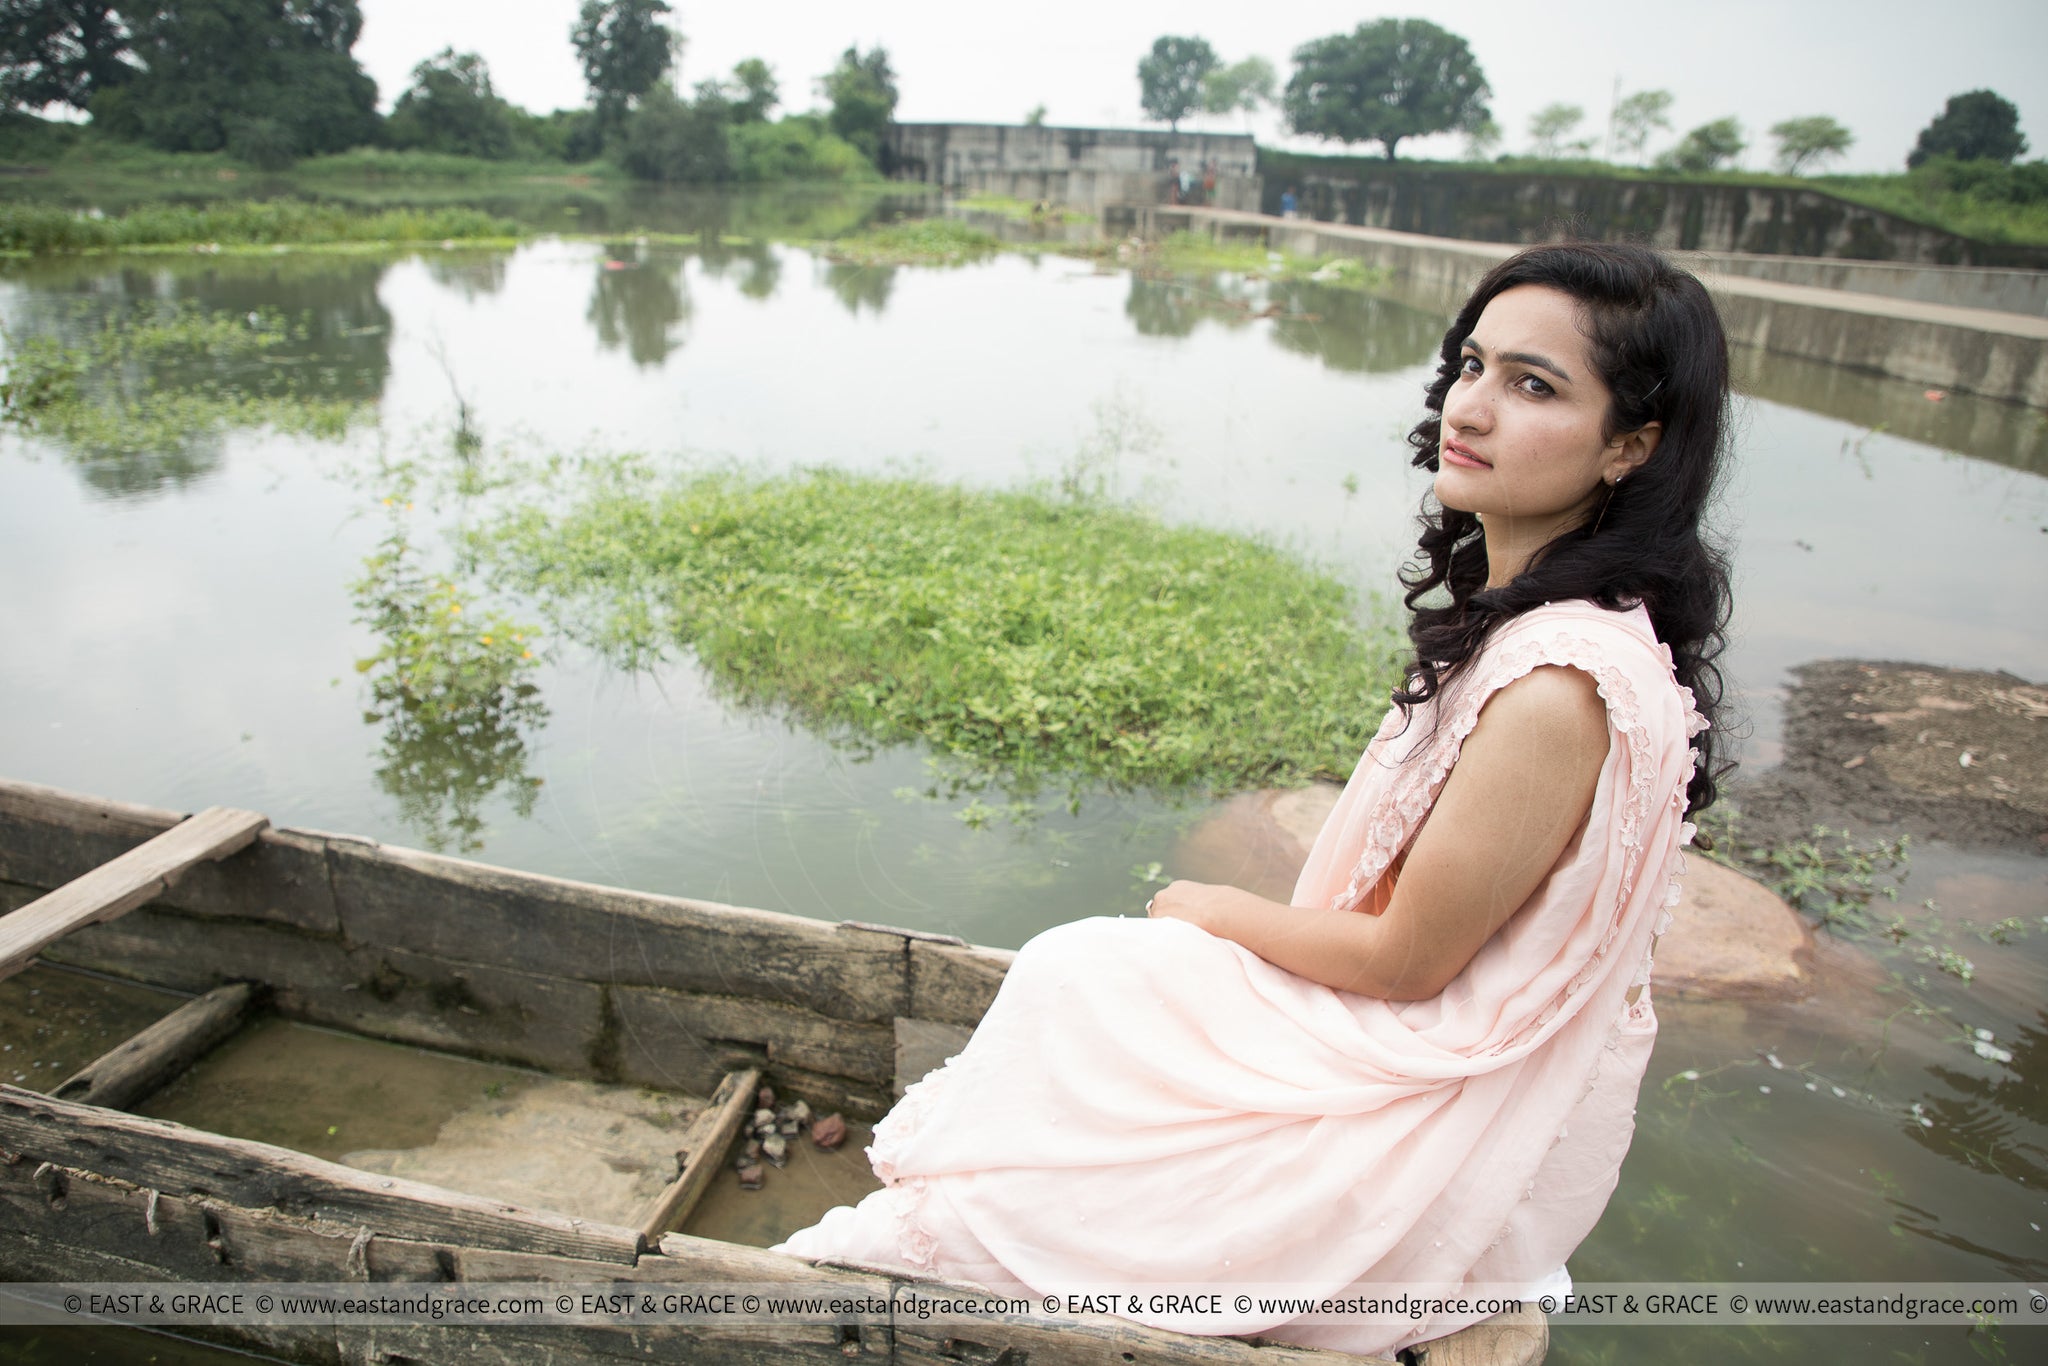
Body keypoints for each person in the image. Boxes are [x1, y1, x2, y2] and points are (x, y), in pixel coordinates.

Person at [774, 242, 1733, 1358]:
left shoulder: (1559, 683)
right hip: (1413, 1030)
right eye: (1471, 365)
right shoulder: (1547, 622)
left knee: (1089, 969)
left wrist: (1206, 908)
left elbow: (1407, 965)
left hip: (1432, 1099)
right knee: (1090, 983)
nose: (1470, 406)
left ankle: (948, 1246)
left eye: (1533, 385)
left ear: (1630, 444)